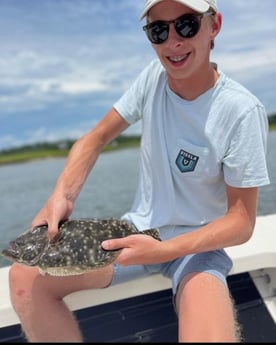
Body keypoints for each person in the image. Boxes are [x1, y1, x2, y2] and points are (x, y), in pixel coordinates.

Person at [8, 0, 270, 342]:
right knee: (25, 280)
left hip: (196, 247)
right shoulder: (152, 79)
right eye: (159, 30)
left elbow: (241, 222)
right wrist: (62, 195)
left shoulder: (241, 110)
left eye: (187, 25)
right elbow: (95, 138)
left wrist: (165, 251)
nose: (173, 41)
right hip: (134, 234)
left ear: (214, 26)